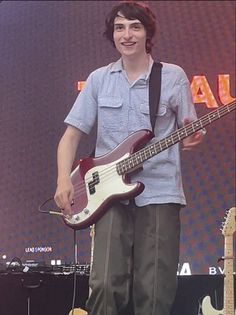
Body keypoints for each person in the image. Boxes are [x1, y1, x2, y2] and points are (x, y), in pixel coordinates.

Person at [54, 1, 205, 314]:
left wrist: (192, 136)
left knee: (154, 291)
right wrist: (61, 180)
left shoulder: (173, 77)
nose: (127, 34)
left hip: (160, 192)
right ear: (112, 34)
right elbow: (71, 136)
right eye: (120, 27)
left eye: (135, 26)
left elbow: (189, 130)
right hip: (108, 196)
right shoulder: (98, 79)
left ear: (147, 32)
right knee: (105, 285)